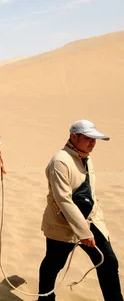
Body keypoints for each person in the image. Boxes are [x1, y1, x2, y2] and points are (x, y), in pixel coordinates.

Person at [37, 120, 122, 301]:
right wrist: (83, 232)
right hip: (62, 224)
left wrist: (93, 224)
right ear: (74, 137)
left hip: (91, 221)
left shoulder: (86, 157)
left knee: (108, 262)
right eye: (88, 138)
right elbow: (63, 200)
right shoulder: (60, 161)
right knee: (53, 264)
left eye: (94, 139)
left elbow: (88, 192)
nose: (92, 143)